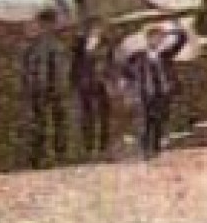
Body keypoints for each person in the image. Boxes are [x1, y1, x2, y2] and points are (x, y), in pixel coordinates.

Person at [120, 22, 189, 159]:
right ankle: (145, 150)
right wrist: (130, 88)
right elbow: (126, 72)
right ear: (148, 38)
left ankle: (155, 148)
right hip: (145, 92)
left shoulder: (165, 54)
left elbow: (182, 40)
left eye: (160, 38)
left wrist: (173, 30)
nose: (158, 41)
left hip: (162, 92)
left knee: (159, 120)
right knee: (145, 121)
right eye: (155, 37)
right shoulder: (137, 56)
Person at [21, 7, 68, 168]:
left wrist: (53, 87)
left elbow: (55, 69)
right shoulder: (40, 45)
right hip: (43, 89)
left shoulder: (47, 44)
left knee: (47, 123)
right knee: (43, 123)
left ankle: (47, 156)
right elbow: (32, 69)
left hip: (47, 89)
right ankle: (44, 156)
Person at [70, 15, 112, 160]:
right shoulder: (79, 44)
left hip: (101, 83)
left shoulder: (107, 44)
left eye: (99, 27)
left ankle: (103, 148)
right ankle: (88, 147)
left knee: (104, 115)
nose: (97, 30)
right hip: (85, 83)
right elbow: (75, 64)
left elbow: (110, 63)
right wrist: (75, 82)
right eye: (95, 27)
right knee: (87, 116)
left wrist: (110, 80)